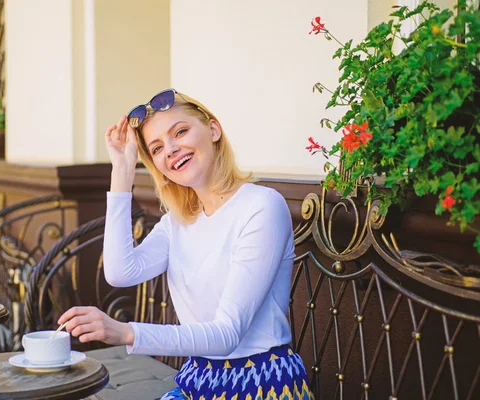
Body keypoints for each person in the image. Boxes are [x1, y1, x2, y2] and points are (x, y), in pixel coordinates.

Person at [57, 89, 313, 399]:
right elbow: (120, 272)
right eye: (157, 148)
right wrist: (122, 170)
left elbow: (226, 334)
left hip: (262, 380)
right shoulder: (177, 222)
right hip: (198, 379)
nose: (172, 149)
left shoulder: (261, 206)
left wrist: (125, 332)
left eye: (180, 131)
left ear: (213, 129)